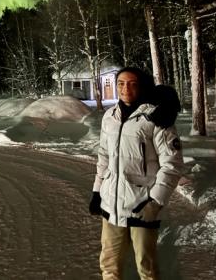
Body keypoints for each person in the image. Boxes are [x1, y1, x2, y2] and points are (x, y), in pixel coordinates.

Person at [89, 67, 184, 280]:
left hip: (141, 205)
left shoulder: (156, 117)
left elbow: (172, 164)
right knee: (109, 265)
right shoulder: (109, 116)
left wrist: (154, 202)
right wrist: (97, 191)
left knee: (146, 267)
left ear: (142, 86)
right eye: (121, 83)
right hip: (110, 204)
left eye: (132, 83)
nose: (125, 88)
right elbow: (104, 156)